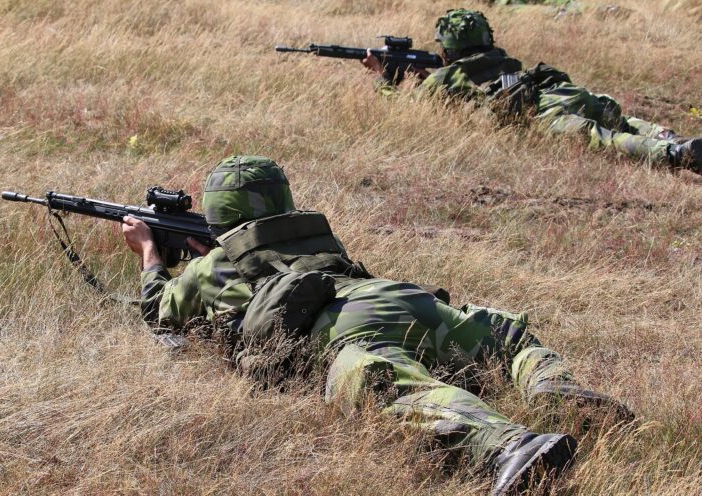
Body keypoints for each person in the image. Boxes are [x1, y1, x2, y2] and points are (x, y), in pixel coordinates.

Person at [121, 155, 632, 495]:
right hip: (404, 298)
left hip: (349, 328)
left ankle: (511, 447)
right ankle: (557, 389)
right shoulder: (316, 236)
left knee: (383, 379)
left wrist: (149, 252)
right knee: (501, 333)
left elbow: (157, 310)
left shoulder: (210, 269)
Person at [361, 9, 702, 173]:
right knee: (616, 117)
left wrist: (382, 77)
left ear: (448, 49)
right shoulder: (502, 60)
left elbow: (404, 107)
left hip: (545, 113)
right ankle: (667, 136)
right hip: (560, 90)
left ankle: (673, 155)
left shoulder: (445, 77)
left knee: (600, 138)